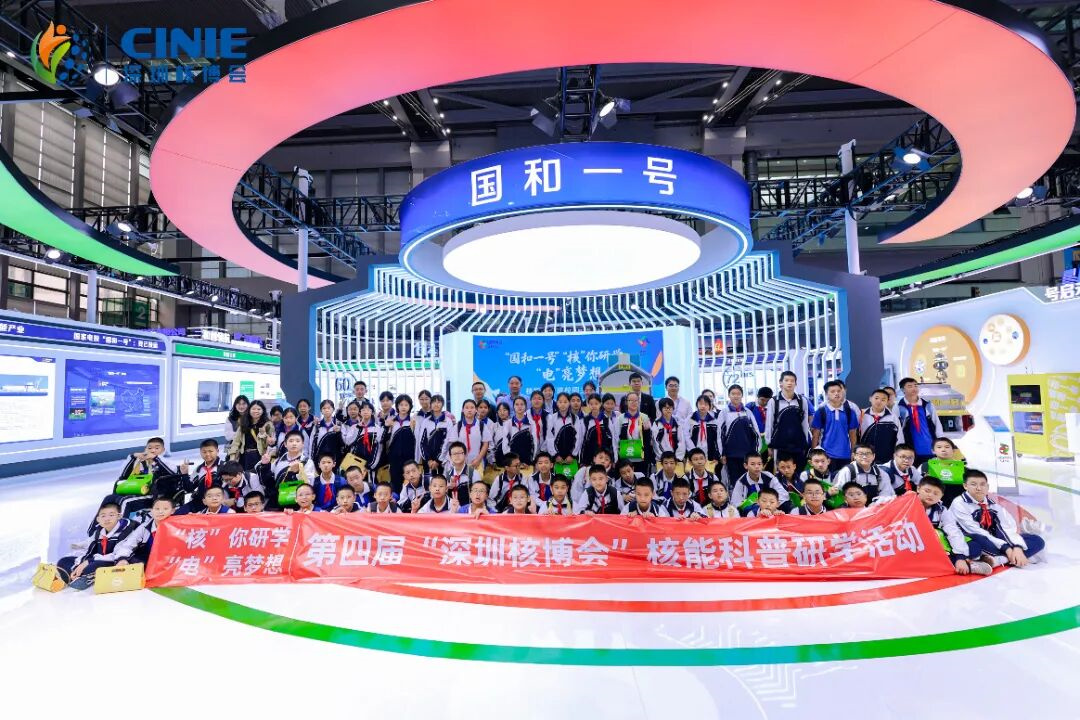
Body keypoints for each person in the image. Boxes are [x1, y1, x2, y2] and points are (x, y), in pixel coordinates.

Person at [951, 470, 1045, 568]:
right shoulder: (959, 504)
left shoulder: (993, 505)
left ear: (987, 487)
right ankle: (1010, 558)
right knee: (977, 542)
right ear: (965, 486)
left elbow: (1006, 527)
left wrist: (1017, 547)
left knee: (1037, 540)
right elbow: (974, 530)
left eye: (982, 484)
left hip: (994, 541)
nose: (978, 488)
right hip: (973, 539)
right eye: (973, 484)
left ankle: (1000, 560)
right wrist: (1007, 549)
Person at [916, 477, 992, 576]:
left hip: (936, 544)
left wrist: (960, 557)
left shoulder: (941, 510)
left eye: (936, 493)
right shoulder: (907, 503)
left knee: (974, 547)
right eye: (927, 491)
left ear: (941, 496)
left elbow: (952, 530)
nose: (930, 495)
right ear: (918, 489)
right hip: (912, 546)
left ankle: (960, 561)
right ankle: (970, 566)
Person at [56, 502, 138, 589]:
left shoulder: (126, 531)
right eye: (103, 516)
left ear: (119, 516)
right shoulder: (99, 531)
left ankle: (83, 576)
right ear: (98, 519)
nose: (107, 519)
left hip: (113, 561)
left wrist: (90, 561)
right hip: (97, 559)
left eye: (111, 515)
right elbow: (90, 542)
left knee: (91, 567)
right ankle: (76, 576)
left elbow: (119, 555)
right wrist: (78, 547)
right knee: (63, 561)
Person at [109, 496, 176, 566]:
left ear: (173, 511)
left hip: (171, 561)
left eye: (165, 509)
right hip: (148, 562)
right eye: (157, 509)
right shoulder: (144, 528)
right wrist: (122, 559)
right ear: (151, 510)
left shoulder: (178, 526)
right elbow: (128, 545)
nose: (160, 512)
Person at [764, 371, 812, 467]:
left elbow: (805, 424)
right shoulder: (774, 401)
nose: (789, 383)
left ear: (795, 383)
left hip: (798, 445)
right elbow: (769, 424)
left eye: (792, 381)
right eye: (786, 380)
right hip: (780, 445)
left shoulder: (802, 401)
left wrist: (805, 443)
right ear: (780, 383)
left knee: (798, 471)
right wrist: (769, 444)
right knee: (782, 472)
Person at [811, 380, 859, 472]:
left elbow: (853, 434)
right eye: (832, 391)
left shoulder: (850, 412)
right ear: (826, 394)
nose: (836, 394)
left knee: (844, 480)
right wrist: (814, 453)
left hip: (845, 454)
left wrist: (854, 452)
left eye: (838, 391)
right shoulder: (821, 412)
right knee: (827, 480)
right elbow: (816, 434)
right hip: (826, 455)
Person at [719, 385, 762, 485]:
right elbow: (720, 435)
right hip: (731, 456)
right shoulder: (724, 413)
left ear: (742, 395)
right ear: (729, 395)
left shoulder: (748, 412)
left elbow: (756, 433)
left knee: (748, 482)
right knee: (734, 483)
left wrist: (756, 452)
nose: (736, 396)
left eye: (738, 394)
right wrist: (722, 453)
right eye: (733, 394)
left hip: (747, 455)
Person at [896, 378, 944, 466]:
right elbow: (898, 430)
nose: (914, 388)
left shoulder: (928, 405)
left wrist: (941, 444)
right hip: (910, 450)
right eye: (909, 386)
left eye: (915, 386)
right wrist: (899, 448)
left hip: (930, 448)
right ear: (903, 390)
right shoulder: (899, 407)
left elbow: (937, 424)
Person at [228, 400, 276, 485]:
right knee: (245, 480)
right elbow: (236, 442)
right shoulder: (243, 424)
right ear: (249, 410)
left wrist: (271, 442)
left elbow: (272, 442)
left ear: (263, 411)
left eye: (259, 409)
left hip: (259, 456)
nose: (256, 411)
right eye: (253, 409)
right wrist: (232, 459)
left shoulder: (268, 425)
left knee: (259, 480)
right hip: (245, 457)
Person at [270, 431, 315, 508]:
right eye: (291, 441)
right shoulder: (279, 461)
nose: (294, 444)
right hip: (279, 500)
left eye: (297, 441)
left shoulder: (307, 462)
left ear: (303, 444)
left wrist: (296, 473)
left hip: (298, 503)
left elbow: (309, 484)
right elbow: (272, 480)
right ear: (285, 444)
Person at [177, 438, 222, 514]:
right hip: (199, 502)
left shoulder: (224, 467)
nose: (207, 454)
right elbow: (189, 488)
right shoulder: (199, 469)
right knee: (177, 515)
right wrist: (184, 474)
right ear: (200, 453)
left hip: (217, 503)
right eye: (204, 452)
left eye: (210, 451)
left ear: (217, 451)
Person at [612, 391, 653, 474]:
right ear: (626, 402)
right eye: (631, 400)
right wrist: (616, 455)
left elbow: (649, 439)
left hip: (640, 454)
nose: (634, 403)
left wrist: (647, 429)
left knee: (641, 476)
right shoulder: (620, 418)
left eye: (636, 400)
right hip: (625, 453)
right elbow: (615, 438)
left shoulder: (644, 417)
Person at [859, 389, 906, 462]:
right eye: (876, 398)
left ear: (887, 401)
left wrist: (899, 455)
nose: (879, 401)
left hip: (886, 458)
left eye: (883, 400)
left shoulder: (893, 418)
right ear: (870, 399)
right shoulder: (861, 414)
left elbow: (900, 439)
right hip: (864, 457)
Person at [383, 394, 416, 493]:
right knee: (395, 482)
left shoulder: (413, 421)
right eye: (401, 405)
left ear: (410, 406)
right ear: (397, 406)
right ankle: (397, 500)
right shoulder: (391, 421)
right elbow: (384, 439)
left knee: (409, 482)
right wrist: (387, 427)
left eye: (406, 405)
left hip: (409, 458)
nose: (403, 407)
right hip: (394, 458)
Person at [919, 437, 967, 505]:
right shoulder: (925, 466)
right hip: (932, 504)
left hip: (957, 504)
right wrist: (925, 480)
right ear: (933, 451)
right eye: (939, 447)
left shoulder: (963, 468)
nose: (943, 450)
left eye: (947, 447)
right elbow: (918, 485)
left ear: (953, 450)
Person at [415, 393, 454, 475]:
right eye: (434, 402)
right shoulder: (426, 421)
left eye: (439, 402)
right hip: (428, 462)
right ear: (430, 405)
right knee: (428, 481)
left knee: (442, 481)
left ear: (442, 404)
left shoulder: (448, 421)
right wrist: (428, 459)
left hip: (443, 460)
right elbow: (422, 442)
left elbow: (448, 442)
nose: (436, 404)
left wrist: (438, 460)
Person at [547, 392, 584, 474]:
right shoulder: (552, 418)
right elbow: (549, 438)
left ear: (569, 403)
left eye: (565, 402)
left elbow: (578, 438)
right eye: (560, 402)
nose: (563, 404)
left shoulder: (575, 418)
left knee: (572, 478)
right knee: (557, 478)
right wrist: (555, 455)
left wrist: (572, 455)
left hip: (571, 457)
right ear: (557, 403)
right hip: (557, 457)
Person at [451, 399, 491, 473]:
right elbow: (453, 445)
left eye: (472, 407)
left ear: (476, 410)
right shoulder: (457, 426)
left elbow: (485, 444)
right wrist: (457, 460)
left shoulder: (482, 425)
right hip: (460, 463)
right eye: (466, 408)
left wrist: (478, 460)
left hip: (477, 463)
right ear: (462, 410)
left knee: (476, 480)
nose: (469, 410)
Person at [502, 396, 540, 468]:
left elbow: (534, 443)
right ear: (513, 407)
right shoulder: (508, 423)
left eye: (522, 404)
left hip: (527, 462)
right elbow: (505, 444)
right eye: (517, 404)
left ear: (525, 407)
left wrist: (531, 460)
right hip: (512, 463)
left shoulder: (531, 423)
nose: (519, 407)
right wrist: (511, 461)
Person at [686, 394, 721, 470]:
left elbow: (718, 439)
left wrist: (717, 455)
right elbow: (686, 436)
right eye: (700, 404)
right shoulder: (690, 418)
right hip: (693, 452)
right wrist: (693, 451)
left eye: (705, 404)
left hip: (710, 453)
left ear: (709, 406)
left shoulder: (714, 420)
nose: (703, 406)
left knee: (710, 474)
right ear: (697, 405)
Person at [347, 401, 383, 476]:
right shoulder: (354, 427)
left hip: (371, 464)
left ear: (372, 412)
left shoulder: (378, 429)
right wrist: (358, 429)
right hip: (355, 462)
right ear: (360, 412)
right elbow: (349, 442)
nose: (365, 412)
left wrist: (371, 465)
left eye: (368, 410)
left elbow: (379, 448)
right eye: (363, 410)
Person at [579, 393, 615, 467]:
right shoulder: (585, 421)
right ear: (588, 405)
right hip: (589, 456)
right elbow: (581, 441)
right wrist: (581, 460)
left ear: (600, 404)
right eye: (591, 404)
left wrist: (614, 459)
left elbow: (613, 440)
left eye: (596, 403)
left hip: (605, 456)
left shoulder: (606, 420)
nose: (594, 406)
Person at [443, 441, 482, 506]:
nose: (457, 456)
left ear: (465, 455)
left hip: (468, 509)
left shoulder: (473, 474)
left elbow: (479, 495)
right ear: (450, 457)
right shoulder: (447, 475)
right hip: (451, 509)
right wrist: (447, 488)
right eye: (454, 454)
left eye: (460, 453)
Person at [652, 397, 687, 465]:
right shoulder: (656, 424)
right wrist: (662, 457)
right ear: (661, 409)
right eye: (665, 408)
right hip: (661, 459)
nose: (668, 410)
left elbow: (681, 441)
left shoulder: (677, 423)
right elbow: (655, 443)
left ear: (673, 408)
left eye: (670, 407)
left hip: (676, 459)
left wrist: (677, 457)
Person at [309, 400, 342, 464]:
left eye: (329, 408)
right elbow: (312, 443)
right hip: (320, 458)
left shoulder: (339, 424)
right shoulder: (317, 425)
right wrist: (311, 460)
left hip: (335, 458)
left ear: (333, 409)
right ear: (321, 411)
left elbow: (344, 442)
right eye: (324, 408)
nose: (326, 410)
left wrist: (340, 432)